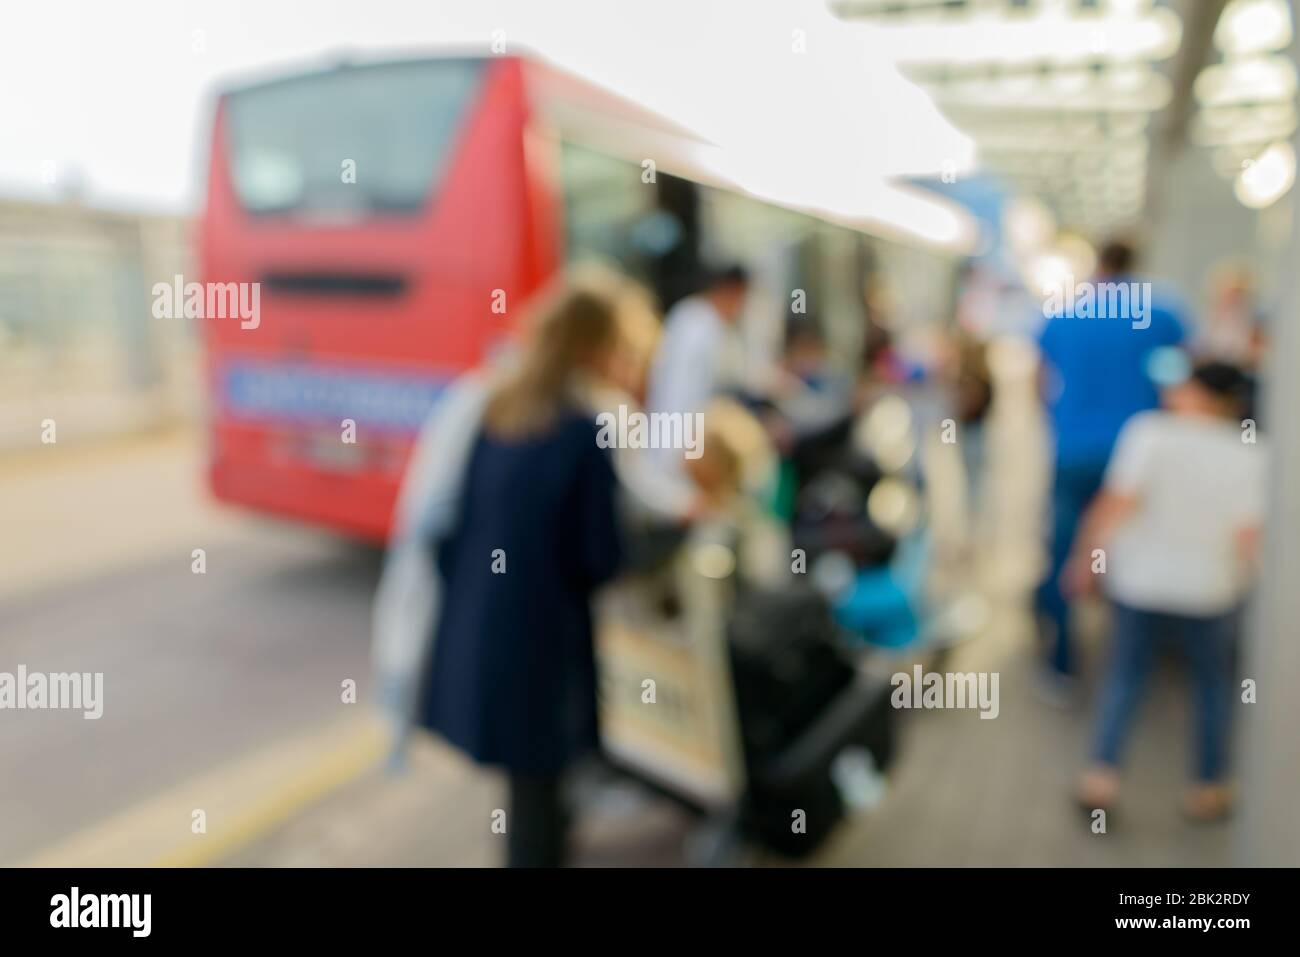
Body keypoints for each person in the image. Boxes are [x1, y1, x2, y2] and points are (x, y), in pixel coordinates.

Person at [415, 271, 628, 867]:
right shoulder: (582, 429)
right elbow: (600, 556)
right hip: (542, 646)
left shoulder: (498, 408)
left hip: (483, 630)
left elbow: (449, 526)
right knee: (540, 803)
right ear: (594, 346)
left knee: (525, 797)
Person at [1065, 362, 1264, 821]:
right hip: (1211, 590)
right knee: (1211, 687)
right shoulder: (1251, 452)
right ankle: (1208, 786)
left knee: (1126, 676)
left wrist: (1086, 561)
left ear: (1197, 392)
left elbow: (1116, 502)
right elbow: (1248, 536)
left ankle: (1102, 778)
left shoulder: (1150, 433)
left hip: (1142, 584)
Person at [1034, 240, 1186, 697]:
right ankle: (1135, 662)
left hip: (1075, 452)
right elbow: (1179, 378)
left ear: (1098, 263)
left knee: (1064, 553)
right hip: (1138, 459)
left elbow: (1041, 381)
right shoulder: (1161, 312)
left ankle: (1062, 662)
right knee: (1135, 551)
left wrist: (1058, 425)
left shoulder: (1065, 313)